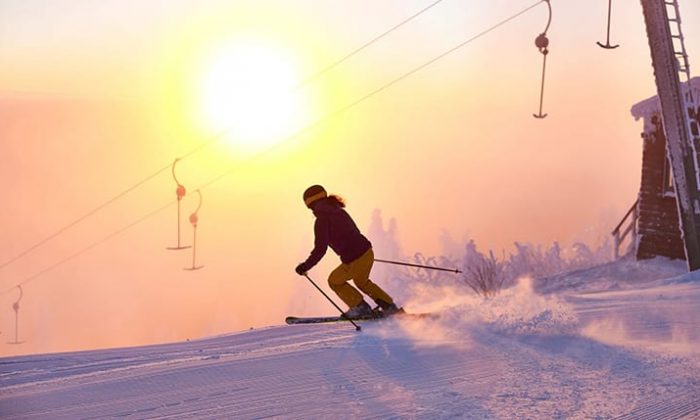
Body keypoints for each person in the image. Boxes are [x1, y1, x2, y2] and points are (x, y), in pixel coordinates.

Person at [295, 185, 401, 318]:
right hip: (366, 252)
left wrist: (306, 265)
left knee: (334, 281)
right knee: (362, 282)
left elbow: (320, 249)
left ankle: (360, 308)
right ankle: (389, 307)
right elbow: (354, 231)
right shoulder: (339, 210)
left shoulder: (321, 220)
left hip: (354, 258)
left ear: (310, 204)